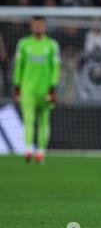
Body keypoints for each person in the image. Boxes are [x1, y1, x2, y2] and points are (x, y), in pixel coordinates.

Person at [13, 16, 61, 164]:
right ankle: (28, 149)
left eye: (40, 25)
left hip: (45, 90)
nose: (38, 28)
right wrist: (17, 86)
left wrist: (53, 87)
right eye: (35, 25)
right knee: (28, 120)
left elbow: (56, 68)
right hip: (27, 90)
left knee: (44, 121)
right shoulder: (23, 44)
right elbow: (18, 66)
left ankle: (40, 152)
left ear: (45, 27)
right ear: (31, 27)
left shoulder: (52, 45)